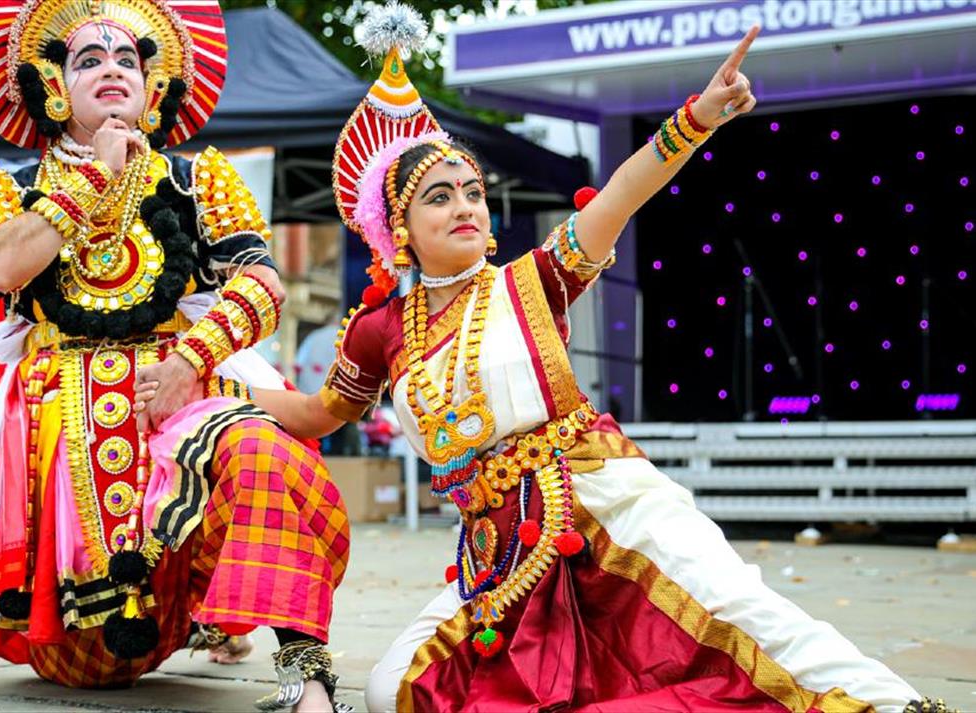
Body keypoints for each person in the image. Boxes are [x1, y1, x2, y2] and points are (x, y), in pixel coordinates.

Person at [197, 5, 943, 712]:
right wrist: (219, 372)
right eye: (439, 197)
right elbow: (316, 414)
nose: (464, 205)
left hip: (599, 495)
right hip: (496, 550)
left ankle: (893, 701)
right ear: (399, 229)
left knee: (741, 607)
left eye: (472, 192)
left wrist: (697, 119)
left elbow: (619, 196)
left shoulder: (533, 279)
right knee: (399, 688)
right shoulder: (379, 330)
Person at [0, 2, 351, 708]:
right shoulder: (3, 189)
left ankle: (305, 672)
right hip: (59, 419)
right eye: (89, 60)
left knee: (266, 449)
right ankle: (201, 621)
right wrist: (89, 178)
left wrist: (192, 358)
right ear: (54, 86)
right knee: (88, 667)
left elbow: (264, 282)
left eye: (127, 59)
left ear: (152, 87)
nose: (111, 69)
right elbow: (2, 271)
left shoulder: (200, 182)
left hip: (181, 393)